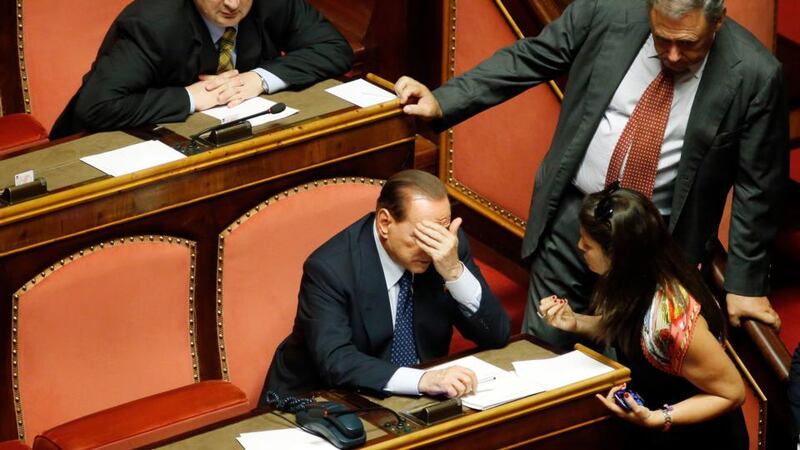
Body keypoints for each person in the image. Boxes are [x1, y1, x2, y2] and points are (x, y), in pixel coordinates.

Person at [395, 0, 787, 350]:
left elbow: (757, 185)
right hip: (573, 217)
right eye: (661, 39)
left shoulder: (755, 74)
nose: (671, 55)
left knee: (633, 361)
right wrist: (443, 100)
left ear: (717, 22)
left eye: (688, 44)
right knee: (542, 347)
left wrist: (745, 284)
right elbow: (530, 57)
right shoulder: (606, 9)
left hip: (655, 240)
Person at [260, 170, 511, 403]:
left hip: (414, 402)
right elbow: (336, 362)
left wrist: (455, 272)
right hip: (320, 401)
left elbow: (496, 335)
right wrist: (422, 380)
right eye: (422, 236)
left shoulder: (446, 248)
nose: (433, 248)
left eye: (440, 233)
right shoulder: (330, 269)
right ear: (384, 223)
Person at [540, 185, 746, 449]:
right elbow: (628, 328)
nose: (579, 246)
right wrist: (576, 321)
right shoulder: (632, 278)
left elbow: (732, 392)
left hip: (701, 439)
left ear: (616, 255)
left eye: (587, 244)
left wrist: (659, 417)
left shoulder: (671, 320)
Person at [49, 0, 353, 138]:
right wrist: (192, 97)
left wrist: (259, 78)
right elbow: (97, 106)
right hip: (107, 145)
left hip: (222, 139)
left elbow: (335, 48)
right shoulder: (153, 24)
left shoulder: (271, 3)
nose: (232, 4)